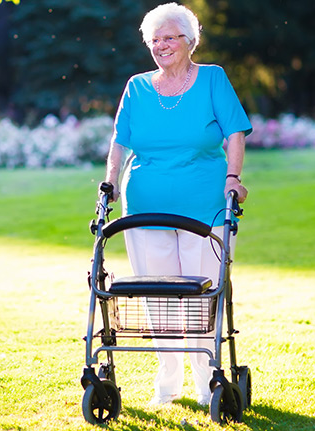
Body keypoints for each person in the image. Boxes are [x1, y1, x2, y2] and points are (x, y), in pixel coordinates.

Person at [102, 3, 252, 407]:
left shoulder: (212, 79)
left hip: (205, 208)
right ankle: (167, 385)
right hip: (146, 208)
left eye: (170, 37)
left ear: (190, 41)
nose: (162, 45)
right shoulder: (136, 87)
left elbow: (236, 132)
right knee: (160, 299)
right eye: (155, 39)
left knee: (203, 296)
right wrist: (110, 183)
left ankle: (208, 385)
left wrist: (233, 179)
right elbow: (120, 141)